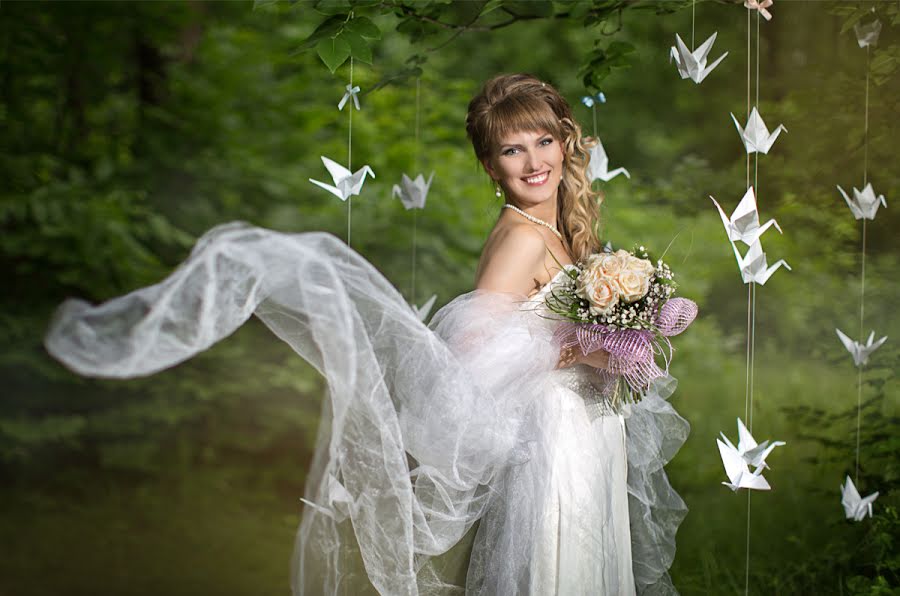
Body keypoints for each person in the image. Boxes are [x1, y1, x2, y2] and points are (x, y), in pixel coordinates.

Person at [45, 74, 688, 595]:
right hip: (554, 432)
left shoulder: (561, 230)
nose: (532, 161)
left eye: (542, 142)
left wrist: (626, 331)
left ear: (564, 142)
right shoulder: (520, 237)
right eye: (511, 150)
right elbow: (472, 354)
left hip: (583, 425)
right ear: (490, 166)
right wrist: (575, 347)